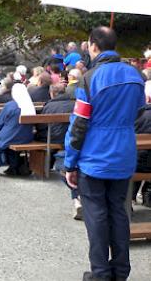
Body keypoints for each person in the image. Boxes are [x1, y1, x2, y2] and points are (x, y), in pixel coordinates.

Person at [64, 27, 145, 281]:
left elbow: (79, 124)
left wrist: (70, 162)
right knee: (119, 213)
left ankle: (100, 273)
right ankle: (121, 271)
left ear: (93, 46)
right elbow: (140, 111)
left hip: (95, 157)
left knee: (96, 216)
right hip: (124, 153)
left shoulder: (89, 78)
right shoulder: (135, 75)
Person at [38, 84, 79, 218]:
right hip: (72, 138)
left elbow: (41, 126)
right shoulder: (76, 104)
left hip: (54, 137)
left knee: (41, 135)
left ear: (52, 94)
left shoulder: (49, 106)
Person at [0, 83, 35, 176]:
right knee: (12, 136)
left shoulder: (10, 105)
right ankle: (14, 166)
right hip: (26, 137)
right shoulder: (30, 106)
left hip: (10, 136)